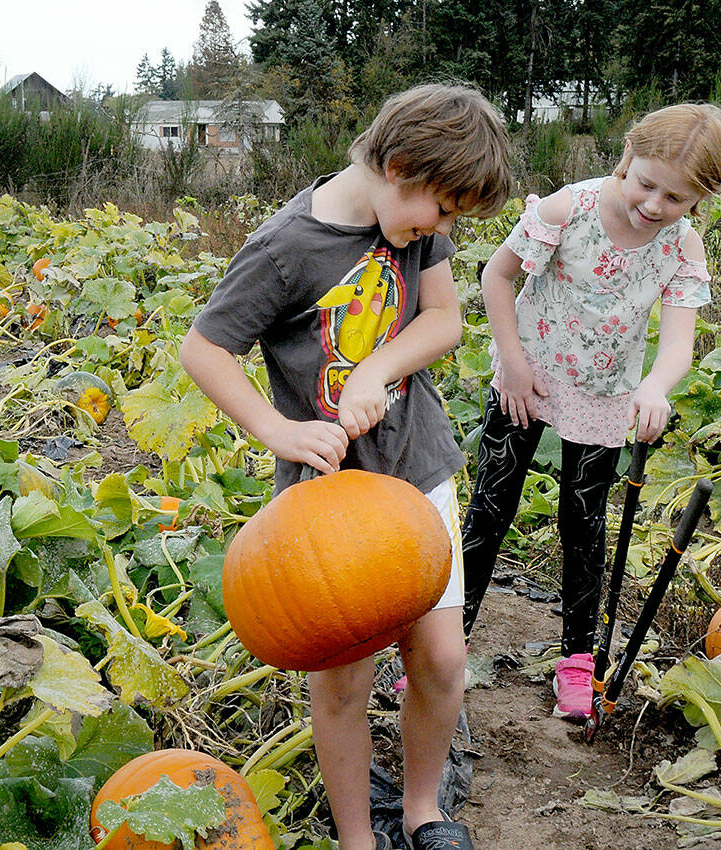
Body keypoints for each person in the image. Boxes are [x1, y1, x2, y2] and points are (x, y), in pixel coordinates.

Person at [181, 83, 511, 850]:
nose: (447, 228)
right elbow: (204, 348)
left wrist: (377, 370)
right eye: (446, 211)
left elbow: (443, 320)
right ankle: (358, 837)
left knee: (441, 654)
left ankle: (425, 811)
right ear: (399, 167)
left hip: (416, 462)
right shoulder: (287, 247)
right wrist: (279, 430)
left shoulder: (417, 223)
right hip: (329, 495)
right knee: (344, 679)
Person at [459, 103, 721, 721]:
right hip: (526, 378)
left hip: (605, 392)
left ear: (700, 200)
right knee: (491, 508)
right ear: (627, 157)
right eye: (646, 184)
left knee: (584, 525)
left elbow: (678, 341)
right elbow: (495, 278)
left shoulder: (680, 246)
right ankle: (449, 643)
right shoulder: (568, 209)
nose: (656, 205)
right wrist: (515, 362)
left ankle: (577, 663)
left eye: (678, 197)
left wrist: (655, 388)